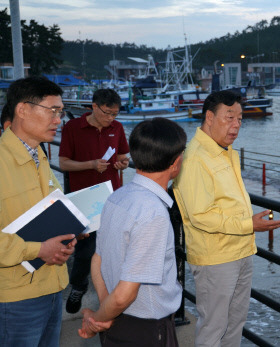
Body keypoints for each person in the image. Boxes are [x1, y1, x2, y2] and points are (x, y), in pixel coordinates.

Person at [172, 90, 280, 347]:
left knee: (235, 325)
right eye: (229, 117)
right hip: (216, 257)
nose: (236, 125)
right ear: (209, 118)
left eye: (240, 119)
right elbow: (201, 216)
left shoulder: (224, 150)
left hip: (240, 250)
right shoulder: (195, 158)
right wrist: (249, 224)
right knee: (214, 329)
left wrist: (249, 226)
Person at [78, 117, 187, 346]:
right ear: (176, 163)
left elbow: (98, 259)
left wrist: (105, 311)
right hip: (146, 329)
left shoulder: (117, 197)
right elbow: (125, 294)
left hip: (118, 320)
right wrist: (98, 320)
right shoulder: (153, 213)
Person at [0, 76, 77, 346]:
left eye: (61, 112)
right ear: (22, 110)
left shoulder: (39, 156)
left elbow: (53, 210)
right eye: (52, 111)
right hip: (15, 297)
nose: (58, 119)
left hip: (53, 286)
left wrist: (71, 233)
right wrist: (38, 250)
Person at [59, 88, 130, 314]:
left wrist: (122, 164)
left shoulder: (117, 128)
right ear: (94, 106)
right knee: (84, 250)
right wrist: (90, 165)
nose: (111, 118)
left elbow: (122, 156)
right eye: (107, 113)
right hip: (84, 198)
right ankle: (78, 286)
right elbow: (63, 163)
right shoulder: (72, 128)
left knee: (114, 249)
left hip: (112, 197)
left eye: (115, 114)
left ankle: (111, 297)